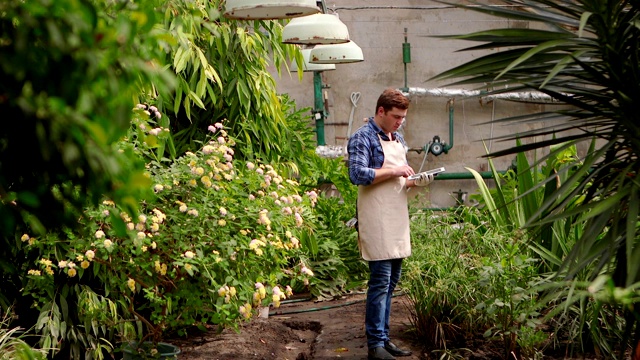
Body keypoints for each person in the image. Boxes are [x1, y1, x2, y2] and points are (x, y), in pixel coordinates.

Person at [347, 88, 434, 360]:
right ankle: (375, 345)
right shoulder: (362, 137)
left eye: (403, 118)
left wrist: (417, 180)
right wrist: (396, 170)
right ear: (381, 111)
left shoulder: (397, 137)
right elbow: (357, 174)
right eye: (396, 117)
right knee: (380, 281)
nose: (400, 122)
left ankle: (384, 340)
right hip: (376, 218)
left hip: (396, 216)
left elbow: (399, 180)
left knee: (391, 282)